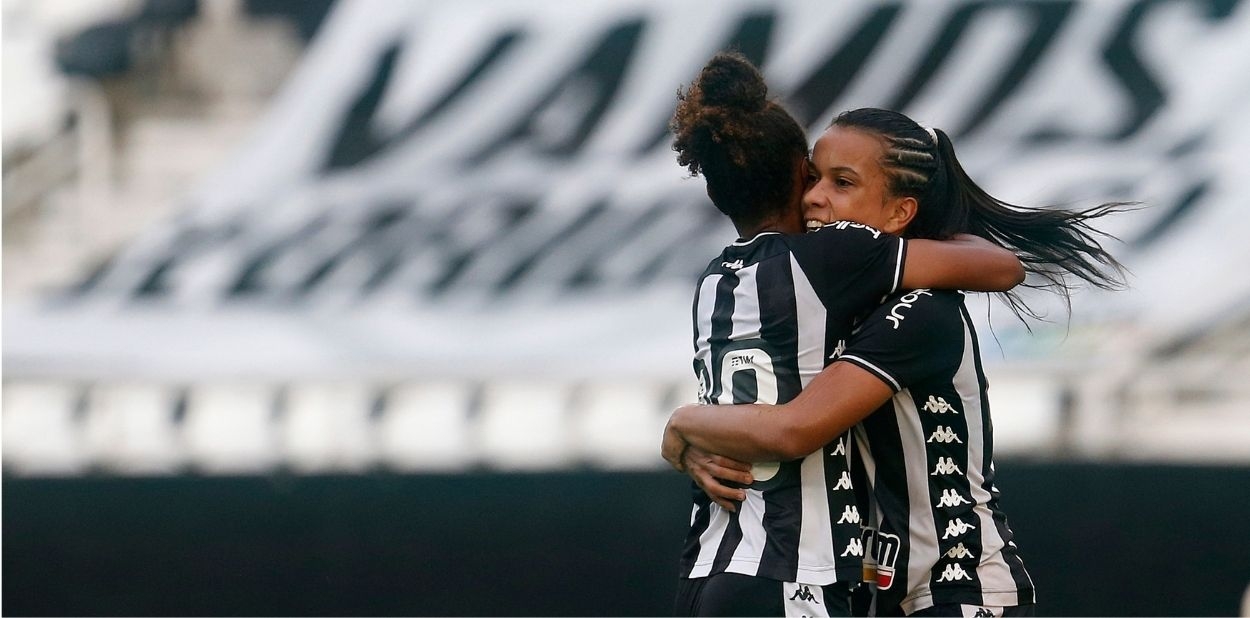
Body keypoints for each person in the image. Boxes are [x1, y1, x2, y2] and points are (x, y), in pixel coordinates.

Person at [663, 107, 1130, 617]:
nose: (814, 196)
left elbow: (794, 427)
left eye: (842, 183)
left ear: (899, 214)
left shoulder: (919, 309)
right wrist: (702, 445)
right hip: (888, 598)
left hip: (957, 592)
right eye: (814, 177)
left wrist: (685, 425)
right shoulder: (830, 300)